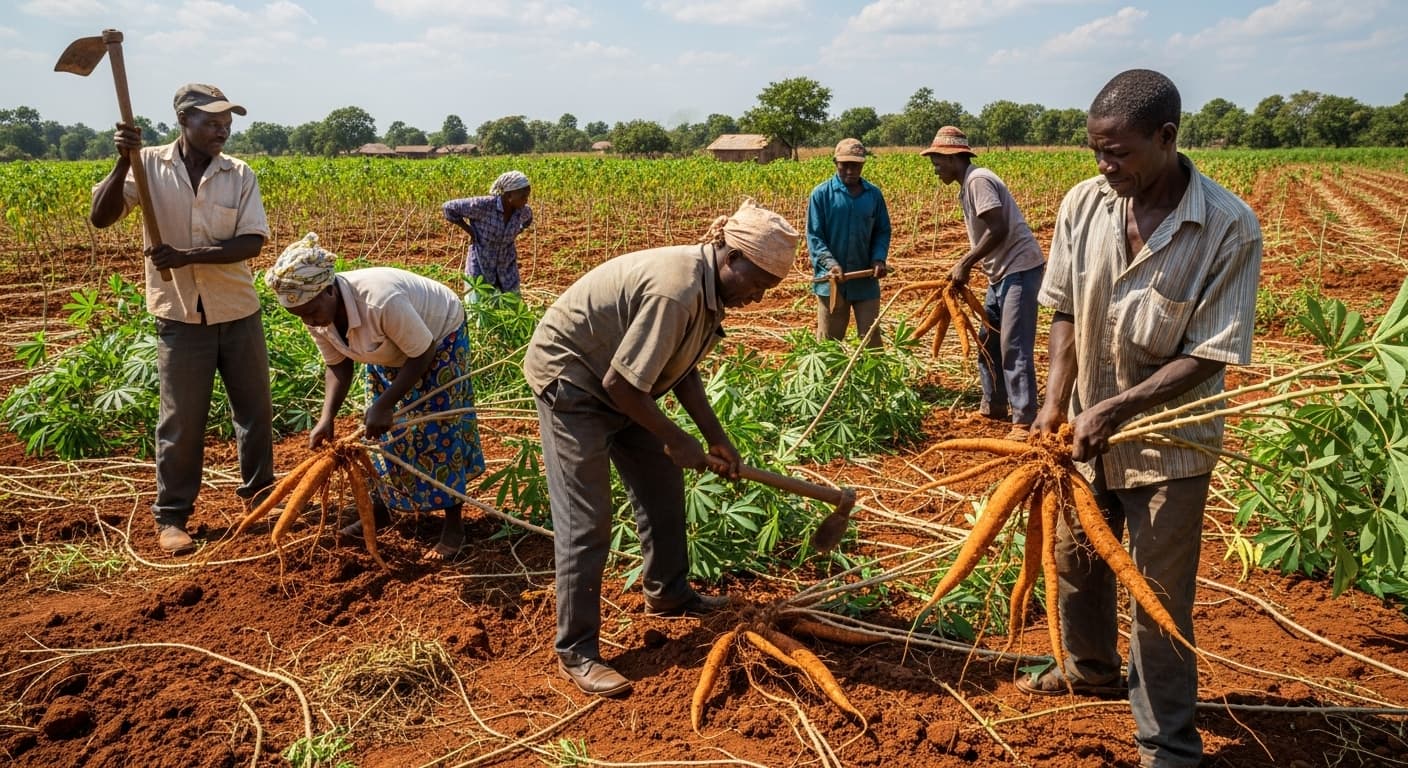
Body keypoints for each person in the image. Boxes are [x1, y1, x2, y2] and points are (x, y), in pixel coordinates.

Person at [1024, 70, 1263, 768]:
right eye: (1096, 151)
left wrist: (1117, 407)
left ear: (1166, 138)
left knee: (1156, 599)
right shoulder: (1084, 204)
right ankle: (1088, 670)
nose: (1104, 167)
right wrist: (1055, 402)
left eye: (1118, 152)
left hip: (1169, 445)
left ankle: (1168, 743)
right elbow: (1064, 306)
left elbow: (1210, 354)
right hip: (1082, 435)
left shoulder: (1227, 225)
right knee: (1074, 566)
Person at [523, 198, 799, 697]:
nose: (757, 299)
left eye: (767, 291)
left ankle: (668, 594)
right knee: (586, 522)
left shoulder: (708, 290)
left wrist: (716, 438)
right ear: (731, 256)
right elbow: (621, 386)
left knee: (662, 487)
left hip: (623, 383)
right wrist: (677, 438)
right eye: (756, 284)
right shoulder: (677, 290)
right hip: (575, 384)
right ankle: (577, 650)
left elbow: (682, 369)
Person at [89, 83, 275, 556]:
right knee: (180, 420)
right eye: (212, 122)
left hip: (237, 310)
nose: (223, 131)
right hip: (178, 316)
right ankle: (172, 516)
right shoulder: (146, 165)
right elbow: (101, 216)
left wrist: (186, 254)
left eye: (227, 123)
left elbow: (251, 243)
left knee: (253, 412)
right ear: (183, 121)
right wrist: (120, 162)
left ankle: (259, 499)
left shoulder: (239, 174)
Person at [265, 233, 486, 561]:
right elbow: (338, 366)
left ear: (329, 290)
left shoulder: (379, 301)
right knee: (381, 434)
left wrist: (385, 404)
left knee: (438, 429)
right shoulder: (316, 314)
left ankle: (454, 524)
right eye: (300, 315)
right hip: (388, 350)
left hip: (439, 341)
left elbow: (423, 352)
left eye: (311, 311)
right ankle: (382, 508)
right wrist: (327, 418)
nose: (308, 321)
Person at [921, 126, 1046, 441]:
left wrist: (965, 262)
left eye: (937, 160)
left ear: (954, 158)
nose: (935, 166)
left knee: (1013, 345)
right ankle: (993, 406)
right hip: (1001, 273)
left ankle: (1024, 420)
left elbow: (998, 227)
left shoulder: (978, 181)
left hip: (1020, 268)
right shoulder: (968, 184)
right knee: (988, 340)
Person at [807, 138, 892, 348]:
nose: (850, 171)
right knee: (829, 344)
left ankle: (874, 381)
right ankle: (831, 382)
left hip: (865, 282)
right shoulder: (821, 195)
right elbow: (815, 236)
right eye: (845, 165)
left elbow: (882, 230)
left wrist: (878, 259)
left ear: (863, 164)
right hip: (832, 284)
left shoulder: (873, 195)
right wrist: (831, 264)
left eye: (856, 165)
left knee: (871, 340)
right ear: (836, 163)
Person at [442, 170, 533, 295]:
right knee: (479, 310)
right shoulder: (484, 205)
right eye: (522, 197)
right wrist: (470, 231)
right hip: (481, 266)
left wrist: (517, 230)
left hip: (507, 269)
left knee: (512, 307)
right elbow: (449, 207)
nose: (526, 200)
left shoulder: (523, 211)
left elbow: (528, 220)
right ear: (508, 196)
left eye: (527, 196)